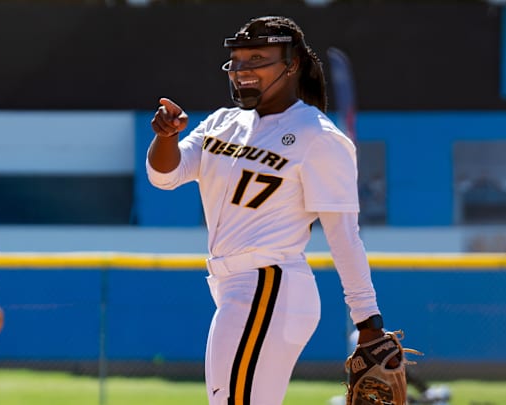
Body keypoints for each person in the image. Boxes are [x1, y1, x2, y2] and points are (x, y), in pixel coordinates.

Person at [147, 16, 387, 405]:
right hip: (237, 287)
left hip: (269, 285)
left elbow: (344, 237)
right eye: (238, 60)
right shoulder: (222, 123)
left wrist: (368, 322)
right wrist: (166, 137)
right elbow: (165, 176)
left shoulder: (318, 137)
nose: (243, 69)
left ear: (292, 64)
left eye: (257, 59)